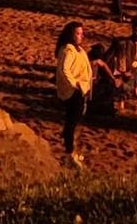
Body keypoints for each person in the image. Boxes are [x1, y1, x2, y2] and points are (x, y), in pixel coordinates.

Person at [55, 20, 92, 166]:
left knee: (74, 122)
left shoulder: (79, 50)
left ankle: (71, 150)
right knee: (71, 123)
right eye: (77, 33)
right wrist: (75, 84)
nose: (80, 36)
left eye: (82, 33)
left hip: (81, 89)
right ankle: (68, 153)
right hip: (73, 91)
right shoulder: (68, 50)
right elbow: (64, 69)